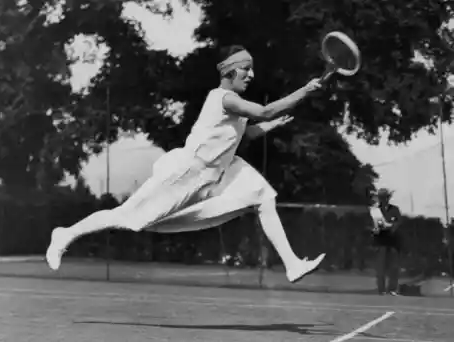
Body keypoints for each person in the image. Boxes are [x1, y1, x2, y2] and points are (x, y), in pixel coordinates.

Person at [46, 45, 326, 283]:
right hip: (186, 173)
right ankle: (65, 234)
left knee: (265, 197)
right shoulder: (225, 99)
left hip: (219, 173)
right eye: (246, 69)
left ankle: (292, 264)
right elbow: (263, 111)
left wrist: (271, 126)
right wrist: (305, 90)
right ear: (229, 71)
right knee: (127, 219)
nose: (251, 75)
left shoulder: (236, 106)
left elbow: (247, 134)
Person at [370, 188, 402, 295]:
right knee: (380, 268)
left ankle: (392, 289)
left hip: (393, 242)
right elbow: (376, 225)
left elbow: (397, 223)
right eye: (381, 197)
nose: (383, 199)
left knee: (394, 267)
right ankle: (381, 289)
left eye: (385, 197)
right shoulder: (375, 210)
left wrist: (391, 228)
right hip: (380, 241)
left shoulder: (395, 209)